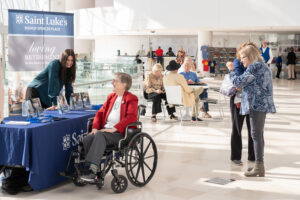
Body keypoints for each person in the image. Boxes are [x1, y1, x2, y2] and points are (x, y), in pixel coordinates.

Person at [227, 43, 276, 177]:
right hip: (261, 104)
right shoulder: (263, 66)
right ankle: (258, 165)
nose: (241, 60)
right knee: (257, 134)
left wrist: (231, 70)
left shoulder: (255, 67)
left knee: (255, 135)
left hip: (256, 105)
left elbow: (238, 82)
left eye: (243, 57)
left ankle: (259, 166)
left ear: (250, 56)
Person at [80, 72, 138, 182]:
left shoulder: (131, 98)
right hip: (105, 131)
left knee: (101, 135)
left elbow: (131, 117)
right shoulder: (111, 97)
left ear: (124, 84)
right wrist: (95, 128)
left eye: (115, 81)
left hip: (120, 134)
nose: (112, 83)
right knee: (89, 138)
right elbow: (100, 113)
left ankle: (92, 171)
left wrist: (114, 128)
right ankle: (95, 172)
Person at [226, 43, 256, 166]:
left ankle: (252, 155)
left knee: (252, 129)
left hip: (252, 100)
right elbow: (239, 80)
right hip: (238, 100)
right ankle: (235, 156)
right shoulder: (237, 62)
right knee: (237, 128)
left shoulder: (256, 64)